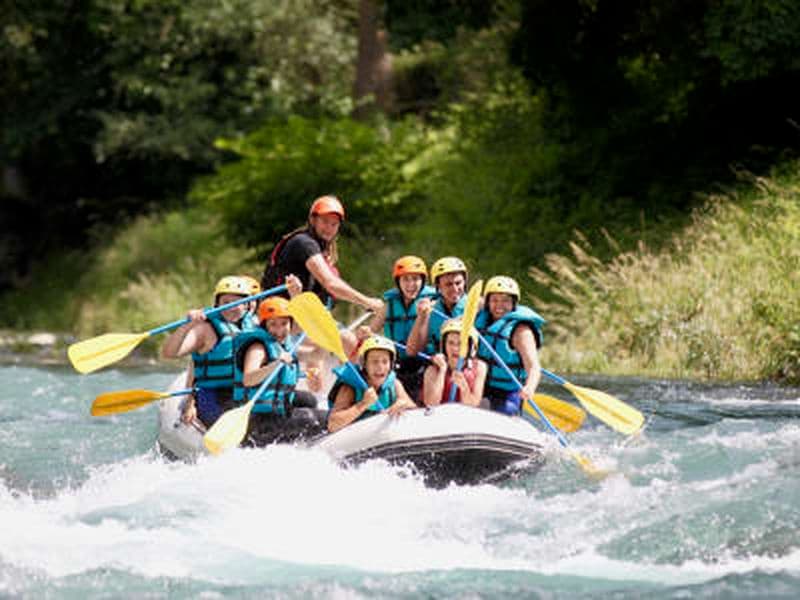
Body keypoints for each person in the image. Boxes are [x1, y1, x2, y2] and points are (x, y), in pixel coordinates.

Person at [161, 275, 263, 428]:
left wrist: (295, 295)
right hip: (211, 396)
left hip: (242, 393)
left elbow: (291, 332)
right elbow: (169, 353)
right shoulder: (205, 330)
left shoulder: (253, 325)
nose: (231, 307)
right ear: (217, 304)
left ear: (247, 305)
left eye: (237, 302)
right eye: (225, 302)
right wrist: (187, 326)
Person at [260, 195, 383, 313]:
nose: (329, 228)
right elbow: (330, 284)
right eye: (325, 221)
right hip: (279, 315)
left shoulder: (322, 248)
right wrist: (367, 302)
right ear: (313, 220)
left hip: (299, 313)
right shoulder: (304, 243)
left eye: (334, 224)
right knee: (346, 336)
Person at [237, 295, 325, 445]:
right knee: (311, 418)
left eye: (284, 323)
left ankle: (298, 439)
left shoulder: (286, 346)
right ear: (265, 326)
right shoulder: (258, 348)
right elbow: (248, 379)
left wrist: (323, 336)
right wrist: (275, 364)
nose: (279, 330)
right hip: (258, 421)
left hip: (278, 412)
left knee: (309, 400)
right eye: (273, 324)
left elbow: (314, 354)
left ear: (291, 324)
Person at [356, 255, 438, 403]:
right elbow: (372, 331)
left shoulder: (432, 303)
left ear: (423, 281)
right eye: (405, 279)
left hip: (423, 362)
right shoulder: (389, 305)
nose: (411, 284)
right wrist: (365, 333)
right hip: (397, 363)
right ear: (398, 282)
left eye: (415, 279)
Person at [474, 276, 546, 416]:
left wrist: (529, 387)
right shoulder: (480, 319)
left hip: (507, 395)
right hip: (479, 387)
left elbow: (533, 367)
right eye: (494, 300)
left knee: (482, 406)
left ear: (514, 303)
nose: (499, 305)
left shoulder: (521, 331)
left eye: (506, 300)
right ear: (488, 302)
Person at [327, 335, 416, 433]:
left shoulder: (394, 384)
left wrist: (402, 404)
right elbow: (332, 425)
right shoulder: (350, 388)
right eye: (374, 362)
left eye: (385, 362)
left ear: (391, 365)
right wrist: (363, 404)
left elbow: (414, 409)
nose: (380, 367)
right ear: (364, 364)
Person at [406, 256, 468, 357]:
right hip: (439, 364)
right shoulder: (431, 310)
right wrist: (422, 317)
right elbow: (412, 351)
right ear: (438, 286)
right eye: (448, 284)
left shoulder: (476, 306)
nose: (455, 289)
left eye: (458, 283)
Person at [421, 319, 487, 407]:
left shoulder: (480, 367)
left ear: (470, 347)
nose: (455, 349)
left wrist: (464, 387)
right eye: (450, 343)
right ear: (444, 345)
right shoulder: (433, 369)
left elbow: (473, 405)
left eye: (460, 344)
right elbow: (430, 404)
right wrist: (442, 371)